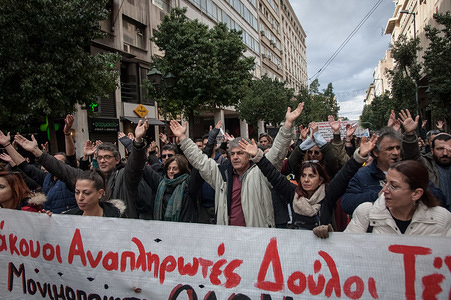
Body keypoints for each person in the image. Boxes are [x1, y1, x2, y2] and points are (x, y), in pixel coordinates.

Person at [171, 103, 304, 227]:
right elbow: (200, 161)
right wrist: (183, 138)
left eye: (240, 153)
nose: (235, 157)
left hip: (257, 239)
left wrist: (287, 125)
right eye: (233, 153)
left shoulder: (261, 172)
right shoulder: (221, 175)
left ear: (249, 155)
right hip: (229, 239)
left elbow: (277, 153)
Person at [14, 118, 149, 218]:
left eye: (107, 157)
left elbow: (136, 163)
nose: (102, 160)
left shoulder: (125, 177)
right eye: (99, 157)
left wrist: (137, 142)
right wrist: (37, 152)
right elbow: (61, 169)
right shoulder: (87, 178)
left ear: (117, 159)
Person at [239, 134, 377, 230]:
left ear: (320, 180)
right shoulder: (293, 194)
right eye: (303, 175)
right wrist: (258, 157)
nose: (306, 179)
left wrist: (359, 156)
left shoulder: (328, 194)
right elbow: (273, 175)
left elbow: (345, 173)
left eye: (311, 176)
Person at [344, 160, 451, 236]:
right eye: (385, 182)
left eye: (394, 186)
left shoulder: (442, 219)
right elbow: (346, 253)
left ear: (416, 194)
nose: (384, 190)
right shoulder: (366, 213)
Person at [142, 154, 197, 222]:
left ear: (182, 169)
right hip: (163, 228)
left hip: (184, 228)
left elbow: (199, 167)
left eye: (175, 168)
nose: (171, 171)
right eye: (168, 168)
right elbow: (145, 170)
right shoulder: (161, 184)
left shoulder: (188, 184)